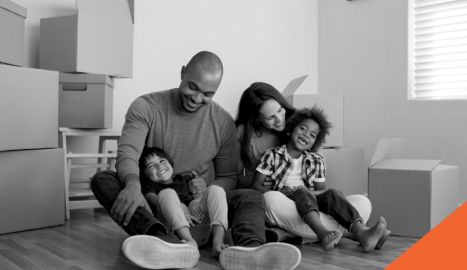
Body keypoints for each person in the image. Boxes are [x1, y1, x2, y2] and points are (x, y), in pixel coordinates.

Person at [91, 52, 301, 270]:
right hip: (153, 203)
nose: (197, 98)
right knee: (103, 180)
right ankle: (159, 240)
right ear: (183, 72)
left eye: (207, 94)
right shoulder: (146, 106)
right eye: (192, 87)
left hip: (201, 209)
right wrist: (132, 185)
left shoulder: (222, 122)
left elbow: (228, 177)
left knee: (251, 196)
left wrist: (208, 188)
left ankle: (250, 252)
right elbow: (128, 152)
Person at [235, 82, 389, 249]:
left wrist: (330, 194)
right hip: (281, 202)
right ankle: (348, 234)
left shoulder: (309, 138)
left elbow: (320, 188)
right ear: (256, 118)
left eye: (280, 110)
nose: (280, 120)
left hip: (310, 202)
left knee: (362, 202)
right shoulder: (269, 152)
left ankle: (287, 234)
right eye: (271, 117)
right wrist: (274, 189)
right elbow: (247, 183)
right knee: (272, 199)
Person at [138, 146, 229, 257]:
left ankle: (218, 242)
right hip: (175, 233)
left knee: (215, 189)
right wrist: (182, 210)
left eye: (162, 161)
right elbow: (154, 201)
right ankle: (189, 242)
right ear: (145, 174)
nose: (159, 165)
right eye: (151, 166)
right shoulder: (150, 186)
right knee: (167, 193)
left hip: (198, 226)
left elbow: (201, 198)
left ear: (170, 164)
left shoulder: (184, 179)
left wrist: (197, 199)